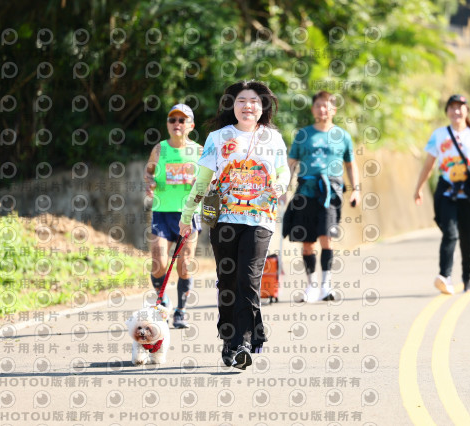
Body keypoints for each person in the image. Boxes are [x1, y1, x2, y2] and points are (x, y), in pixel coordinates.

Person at [179, 80, 289, 370]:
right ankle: (229, 339)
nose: (247, 106)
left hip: (260, 219)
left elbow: (283, 172)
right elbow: (202, 181)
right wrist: (187, 215)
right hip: (224, 220)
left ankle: (244, 342)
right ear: (232, 105)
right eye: (241, 100)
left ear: (262, 106)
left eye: (254, 101)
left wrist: (279, 186)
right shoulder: (217, 138)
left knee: (248, 280)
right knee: (227, 281)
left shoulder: (273, 139)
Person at [281, 91, 360, 303]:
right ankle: (312, 285)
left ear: (333, 109)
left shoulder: (343, 136)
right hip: (305, 192)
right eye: (318, 105)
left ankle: (326, 285)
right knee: (307, 243)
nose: (322, 109)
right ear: (313, 109)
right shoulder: (303, 135)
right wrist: (283, 190)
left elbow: (350, 165)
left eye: (326, 105)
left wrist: (356, 189)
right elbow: (291, 164)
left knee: (327, 238)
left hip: (330, 194)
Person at [414, 94, 470, 294]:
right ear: (447, 111)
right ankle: (445, 277)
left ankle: (467, 278)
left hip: (469, 192)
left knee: (467, 239)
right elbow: (429, 164)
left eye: (460, 107)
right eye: (452, 107)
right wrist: (418, 188)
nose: (456, 111)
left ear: (467, 111)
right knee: (449, 234)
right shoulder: (439, 134)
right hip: (447, 191)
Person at [144, 104, 202, 329]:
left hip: (189, 213)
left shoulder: (199, 151)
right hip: (162, 212)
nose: (176, 123)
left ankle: (181, 311)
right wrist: (150, 183)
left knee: (184, 265)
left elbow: (211, 179)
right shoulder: (160, 149)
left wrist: (201, 184)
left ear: (191, 125)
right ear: (168, 124)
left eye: (182, 120)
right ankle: (163, 302)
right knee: (158, 262)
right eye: (172, 120)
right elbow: (148, 172)